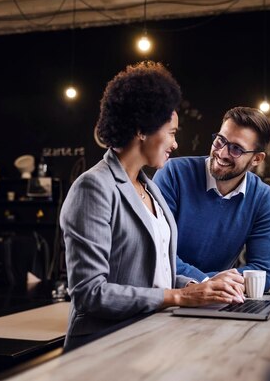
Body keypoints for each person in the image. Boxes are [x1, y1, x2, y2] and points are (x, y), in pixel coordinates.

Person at [60, 62, 244, 340]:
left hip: (150, 336)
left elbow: (157, 275)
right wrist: (180, 296)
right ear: (142, 129)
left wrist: (204, 285)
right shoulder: (93, 187)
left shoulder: (150, 188)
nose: (175, 144)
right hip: (104, 346)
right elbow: (90, 293)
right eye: (171, 133)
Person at [153, 106, 270, 290]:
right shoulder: (172, 173)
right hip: (165, 295)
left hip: (215, 300)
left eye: (236, 149)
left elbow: (263, 272)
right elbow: (157, 252)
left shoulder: (261, 197)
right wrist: (206, 282)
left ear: (257, 159)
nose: (222, 153)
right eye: (220, 140)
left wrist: (212, 285)